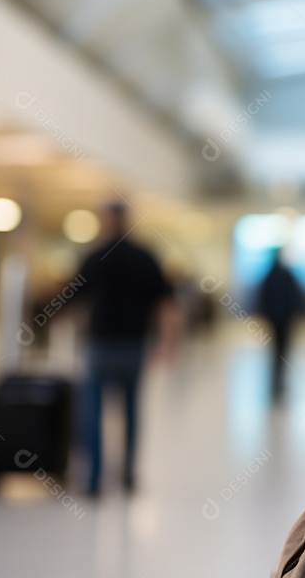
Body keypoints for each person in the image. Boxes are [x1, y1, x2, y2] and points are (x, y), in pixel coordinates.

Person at [71, 202, 180, 495]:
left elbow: (73, 301)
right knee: (131, 411)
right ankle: (128, 475)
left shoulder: (94, 256)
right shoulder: (145, 257)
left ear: (107, 221)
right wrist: (168, 346)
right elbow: (166, 305)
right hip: (133, 344)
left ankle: (94, 479)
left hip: (101, 344)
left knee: (92, 412)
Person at [256, 248, 305, 402]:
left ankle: (276, 381)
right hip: (284, 320)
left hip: (277, 319)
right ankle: (278, 381)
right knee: (282, 351)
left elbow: (263, 298)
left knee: (276, 352)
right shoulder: (285, 275)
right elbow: (297, 297)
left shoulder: (270, 276)